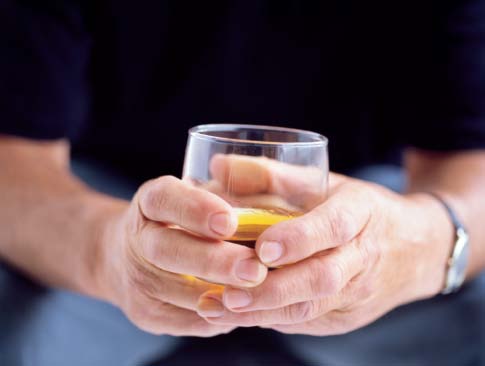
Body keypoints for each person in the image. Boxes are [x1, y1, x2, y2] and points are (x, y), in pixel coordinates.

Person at [1, 1, 484, 365]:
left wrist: (418, 246)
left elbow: (470, 164)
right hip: (102, 203)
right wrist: (107, 254)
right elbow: (14, 163)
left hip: (360, 204)